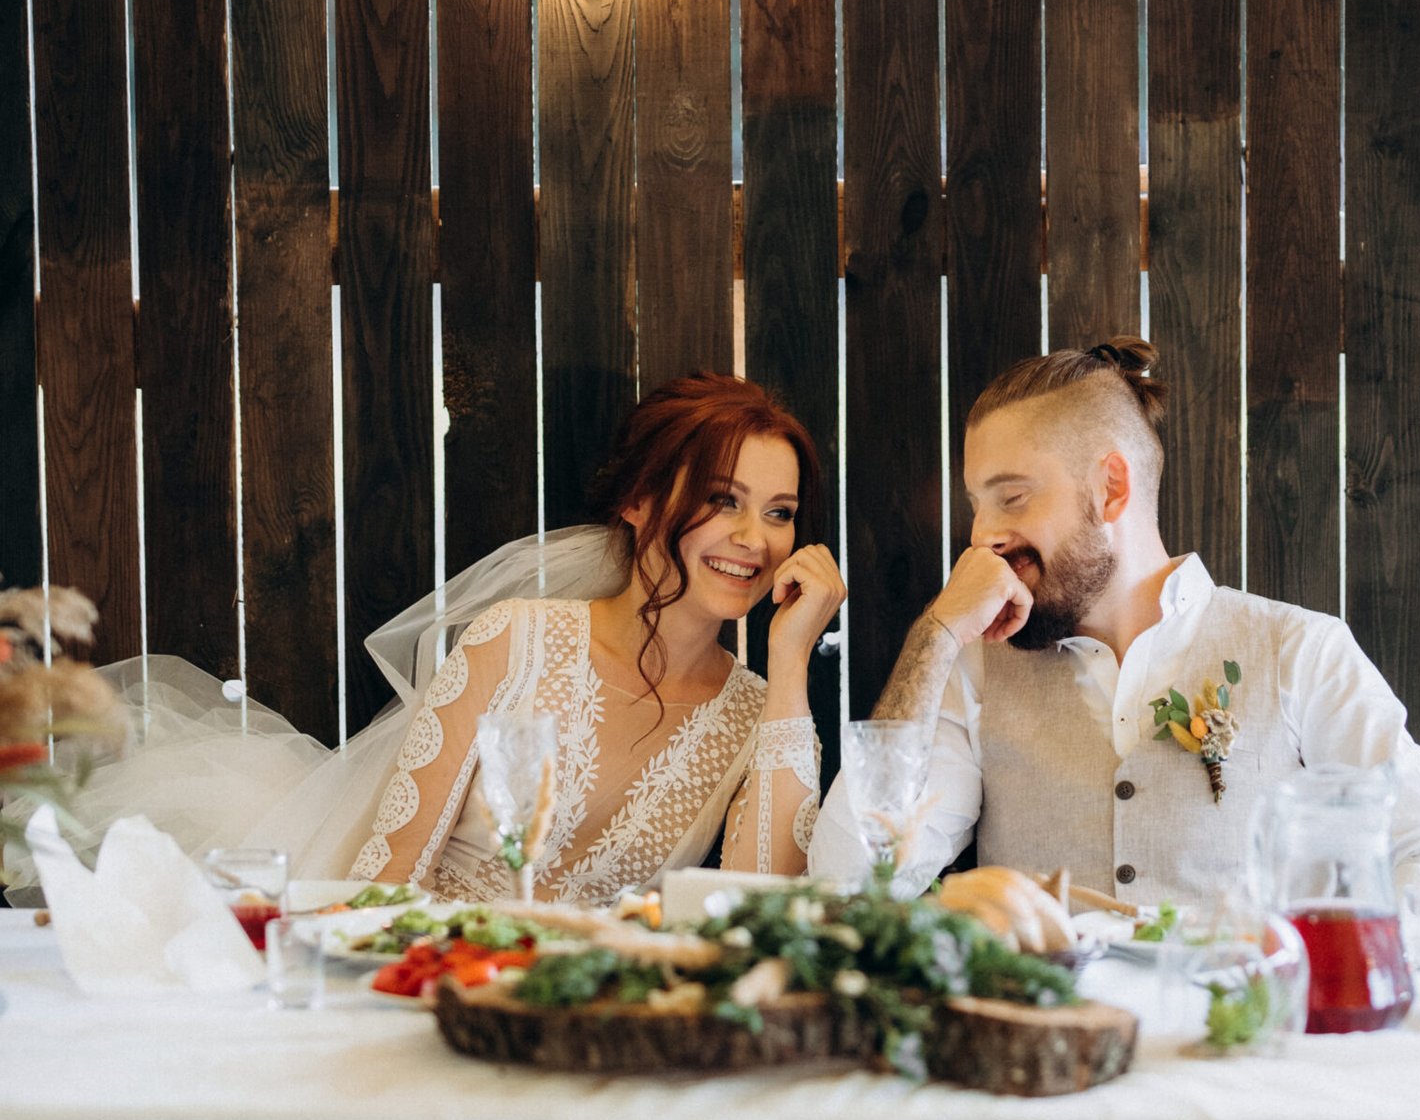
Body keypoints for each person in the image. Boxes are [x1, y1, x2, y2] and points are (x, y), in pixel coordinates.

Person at [69, 375, 844, 908]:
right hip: (429, 982)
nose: (754, 538)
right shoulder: (515, 642)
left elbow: (763, 906)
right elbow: (382, 883)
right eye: (723, 499)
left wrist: (787, 664)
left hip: (580, 1023)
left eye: (780, 512)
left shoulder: (755, 713)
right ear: (640, 499)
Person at [809, 339, 1420, 906]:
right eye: (977, 506)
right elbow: (849, 880)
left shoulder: (1299, 651)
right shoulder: (977, 670)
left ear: (1111, 489)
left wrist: (1334, 978)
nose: (983, 536)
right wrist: (937, 632)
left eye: (1012, 497)